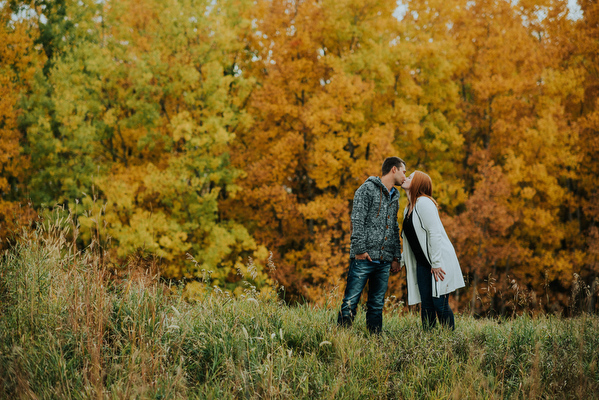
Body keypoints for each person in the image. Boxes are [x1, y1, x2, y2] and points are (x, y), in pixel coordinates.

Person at [337, 157, 406, 334]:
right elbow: (357, 220)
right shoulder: (366, 189)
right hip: (363, 258)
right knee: (350, 301)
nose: (404, 176)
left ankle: (374, 341)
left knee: (376, 304)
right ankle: (341, 339)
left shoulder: (395, 197)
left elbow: (394, 227)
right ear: (393, 169)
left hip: (384, 260)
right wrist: (360, 250)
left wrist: (396, 256)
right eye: (403, 171)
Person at [400, 171, 465, 330]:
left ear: (418, 183)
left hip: (439, 261)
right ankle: (429, 342)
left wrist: (436, 264)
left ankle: (450, 340)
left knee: (439, 303)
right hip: (423, 264)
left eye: (410, 177)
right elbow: (411, 243)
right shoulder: (408, 209)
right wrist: (400, 262)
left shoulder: (424, 203)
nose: (405, 178)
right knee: (427, 304)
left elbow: (434, 234)